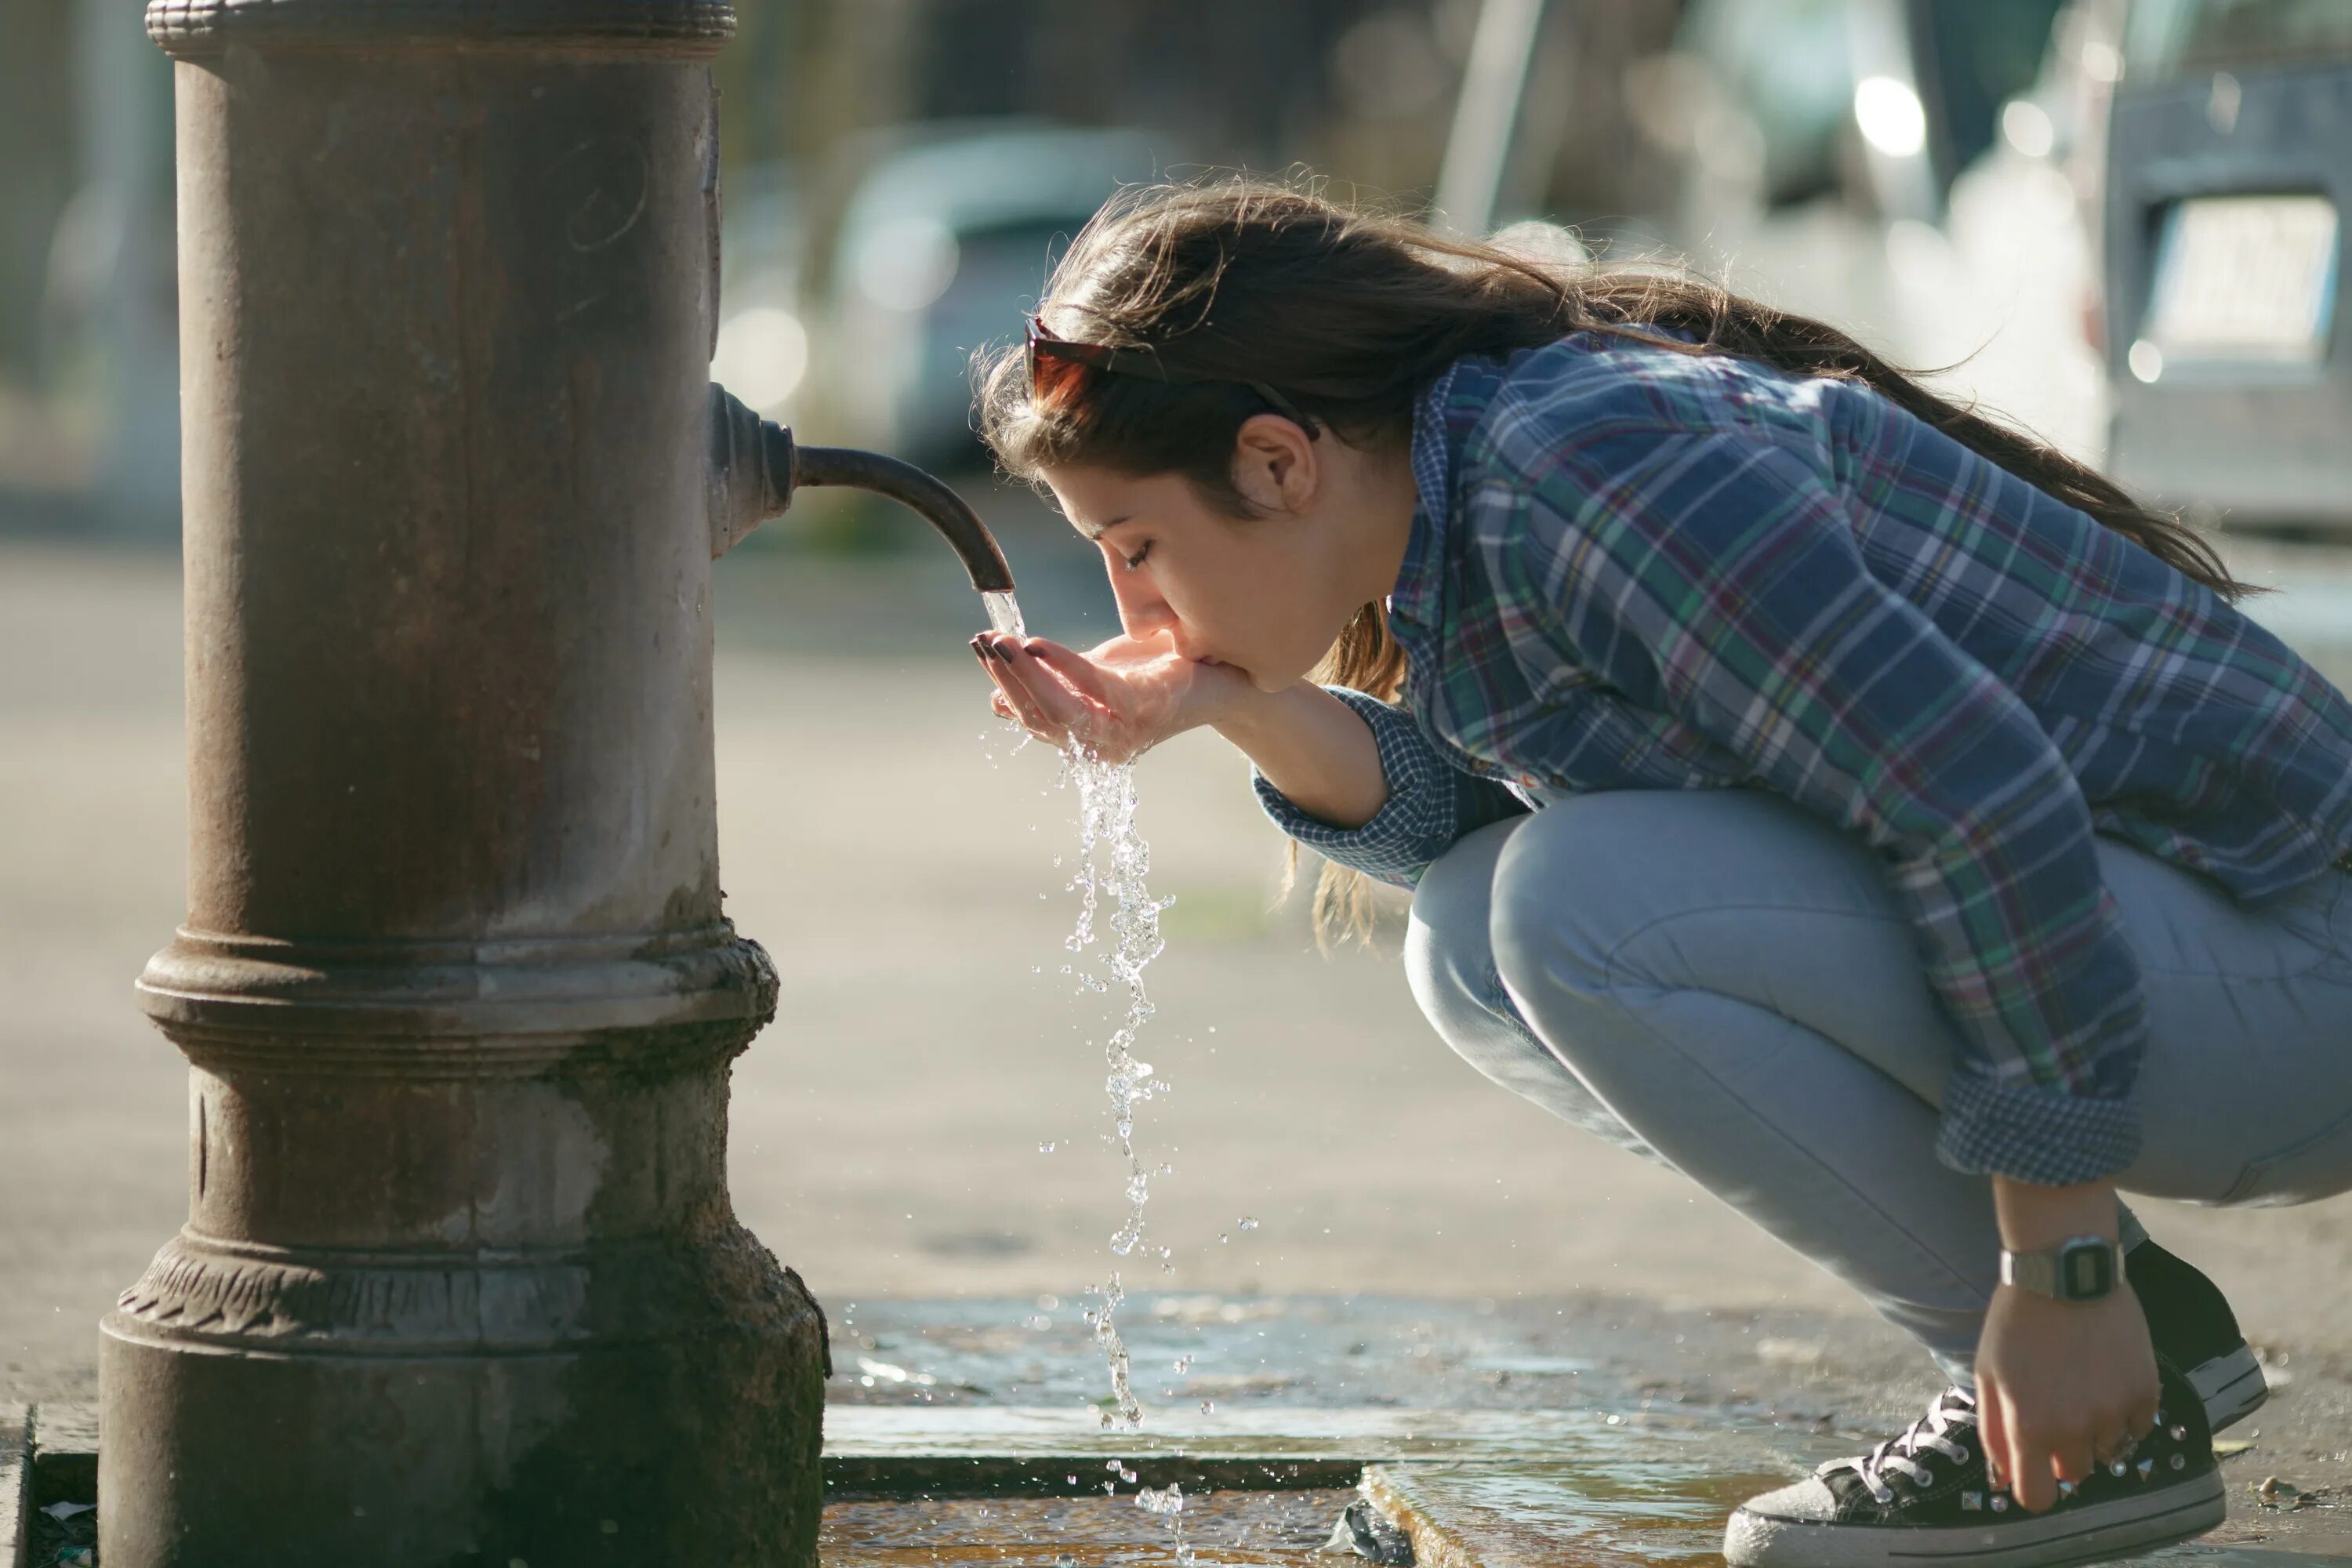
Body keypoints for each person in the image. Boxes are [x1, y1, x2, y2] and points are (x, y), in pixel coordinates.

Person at [966, 177, 2352, 1568]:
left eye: (1135, 550)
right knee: (1471, 934)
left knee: (1567, 906)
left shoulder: (1584, 478)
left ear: (1278, 464)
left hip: (2302, 956)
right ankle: (2131, 1364)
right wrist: (1221, 699)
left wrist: (2058, 1271)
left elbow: (1983, 808)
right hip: (2187, 962)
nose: (1132, 608)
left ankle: (2085, 1377)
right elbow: (1468, 840)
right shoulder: (1472, 501)